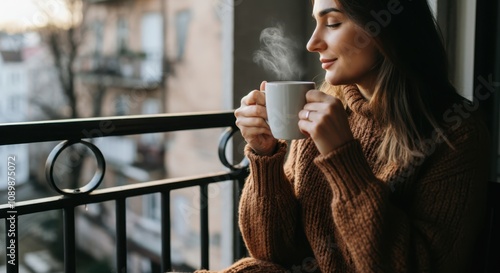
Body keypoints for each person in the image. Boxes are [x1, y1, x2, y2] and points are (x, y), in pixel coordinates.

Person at [198, 0, 490, 272]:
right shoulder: (323, 109)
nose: (313, 43)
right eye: (315, 23)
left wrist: (342, 157)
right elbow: (273, 252)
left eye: (333, 23)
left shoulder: (455, 131)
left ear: (384, 29)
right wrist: (265, 157)